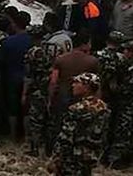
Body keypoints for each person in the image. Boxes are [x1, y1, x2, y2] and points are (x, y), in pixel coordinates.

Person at [50, 73, 109, 176]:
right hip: (91, 156)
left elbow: (65, 138)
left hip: (73, 157)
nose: (73, 85)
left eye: (77, 82)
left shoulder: (77, 109)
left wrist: (56, 159)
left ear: (86, 87)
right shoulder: (103, 107)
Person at [22, 25, 52, 156]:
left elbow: (28, 75)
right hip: (48, 87)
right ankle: (47, 148)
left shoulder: (32, 52)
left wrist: (24, 93)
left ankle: (34, 148)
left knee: (35, 120)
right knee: (47, 118)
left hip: (36, 88)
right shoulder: (50, 49)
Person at [1, 11, 32, 138]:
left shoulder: (8, 42)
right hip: (28, 77)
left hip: (11, 76)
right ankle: (27, 136)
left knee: (12, 107)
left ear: (14, 24)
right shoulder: (32, 41)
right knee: (27, 108)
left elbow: (3, 60)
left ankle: (13, 135)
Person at [105, 38, 133, 168]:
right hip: (123, 104)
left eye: (127, 50)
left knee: (123, 132)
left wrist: (116, 87)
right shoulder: (126, 66)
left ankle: (116, 161)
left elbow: (125, 89)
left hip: (127, 105)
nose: (125, 53)